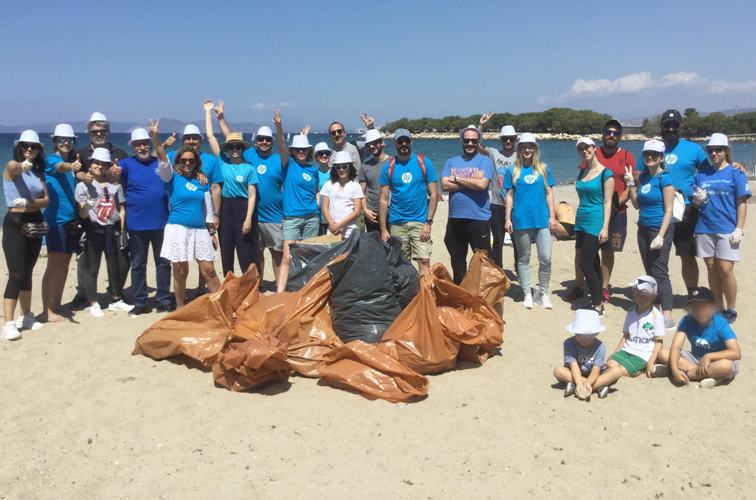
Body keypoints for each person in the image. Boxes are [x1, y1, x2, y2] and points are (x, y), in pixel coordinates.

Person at [151, 121, 221, 309]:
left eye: (191, 160)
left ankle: (224, 307)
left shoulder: (202, 180)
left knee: (209, 271)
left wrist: (212, 233)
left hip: (200, 229)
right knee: (180, 271)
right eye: (184, 160)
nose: (187, 163)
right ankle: (180, 308)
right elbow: (161, 157)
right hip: (178, 227)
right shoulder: (171, 175)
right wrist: (156, 138)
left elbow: (207, 209)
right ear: (178, 162)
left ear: (196, 162)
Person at [566, 119, 636, 302]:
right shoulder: (591, 153)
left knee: (607, 251)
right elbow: (584, 178)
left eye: (615, 132)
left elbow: (631, 184)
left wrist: (613, 205)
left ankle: (603, 288)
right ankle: (579, 285)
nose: (611, 135)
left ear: (620, 136)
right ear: (603, 135)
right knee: (582, 252)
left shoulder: (627, 156)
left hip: (617, 212)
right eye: (608, 132)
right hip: (593, 213)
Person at [216, 104, 286, 283]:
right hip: (253, 216)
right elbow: (230, 138)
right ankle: (258, 285)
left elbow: (284, 147)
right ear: (256, 141)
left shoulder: (278, 159)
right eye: (261, 139)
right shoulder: (249, 156)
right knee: (256, 255)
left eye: (268, 140)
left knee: (277, 255)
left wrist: (279, 128)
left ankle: (279, 289)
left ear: (272, 142)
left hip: (274, 217)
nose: (264, 142)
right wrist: (221, 118)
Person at [69, 112, 129, 310]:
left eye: (102, 130)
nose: (99, 134)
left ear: (108, 132)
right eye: (95, 131)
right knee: (86, 259)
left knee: (119, 259)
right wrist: (76, 171)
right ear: (89, 132)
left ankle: (115, 293)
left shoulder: (119, 153)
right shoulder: (80, 152)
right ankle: (84, 294)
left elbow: (128, 178)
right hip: (86, 213)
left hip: (110, 212)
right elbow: (69, 172)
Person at [692, 133, 750, 323]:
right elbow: (695, 204)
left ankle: (731, 308)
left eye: (718, 149)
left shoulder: (736, 172)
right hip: (704, 227)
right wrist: (696, 201)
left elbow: (742, 202)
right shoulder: (702, 174)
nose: (714, 153)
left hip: (727, 228)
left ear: (726, 151)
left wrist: (739, 228)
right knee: (711, 267)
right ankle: (717, 306)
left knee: (725, 269)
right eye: (711, 150)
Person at [119, 127, 173, 315]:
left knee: (163, 263)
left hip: (161, 221)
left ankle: (164, 299)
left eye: (144, 143)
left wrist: (157, 138)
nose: (141, 147)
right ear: (132, 147)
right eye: (137, 144)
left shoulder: (159, 162)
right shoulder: (126, 164)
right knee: (138, 264)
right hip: (137, 222)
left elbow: (169, 167)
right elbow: (113, 176)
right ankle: (140, 301)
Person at [2, 130, 50, 340]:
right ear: (19, 148)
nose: (29, 150)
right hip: (15, 222)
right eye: (25, 146)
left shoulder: (38, 173)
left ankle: (27, 315)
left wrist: (30, 203)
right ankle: (8, 323)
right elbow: (12, 168)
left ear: (39, 150)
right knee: (16, 273)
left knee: (28, 271)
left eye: (33, 147)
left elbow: (46, 199)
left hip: (35, 221)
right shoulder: (12, 167)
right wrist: (21, 165)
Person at [656, 109, 709, 293]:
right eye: (667, 125)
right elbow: (640, 174)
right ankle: (659, 294)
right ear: (661, 127)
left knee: (687, 255)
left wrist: (733, 165)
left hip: (685, 211)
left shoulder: (693, 149)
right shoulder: (654, 149)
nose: (670, 128)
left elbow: (709, 172)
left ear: (680, 127)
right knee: (657, 256)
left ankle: (692, 292)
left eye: (674, 125)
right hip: (659, 211)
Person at [204, 101, 259, 278]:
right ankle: (229, 287)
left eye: (238, 146)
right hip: (226, 208)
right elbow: (211, 136)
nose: (234, 149)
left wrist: (248, 219)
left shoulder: (249, 168)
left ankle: (249, 287)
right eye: (231, 146)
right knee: (226, 251)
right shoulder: (222, 161)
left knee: (245, 252)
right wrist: (209, 113)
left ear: (242, 148)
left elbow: (252, 196)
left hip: (244, 208)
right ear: (227, 149)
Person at [502, 132, 556, 308]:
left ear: (535, 149)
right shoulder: (512, 170)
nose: (527, 150)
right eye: (524, 147)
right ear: (519, 149)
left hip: (542, 219)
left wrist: (553, 216)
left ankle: (543, 293)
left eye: (530, 147)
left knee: (546, 258)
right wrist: (507, 218)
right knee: (524, 258)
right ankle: (527, 293)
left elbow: (549, 194)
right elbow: (509, 196)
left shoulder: (543, 168)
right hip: (520, 219)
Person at [75, 148, 131, 317]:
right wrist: (87, 206)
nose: (99, 166)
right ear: (90, 165)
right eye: (96, 163)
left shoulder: (115, 186)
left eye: (103, 164)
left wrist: (122, 231)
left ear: (108, 166)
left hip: (112, 228)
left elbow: (121, 208)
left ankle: (116, 298)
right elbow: (82, 213)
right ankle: (93, 301)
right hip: (94, 229)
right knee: (92, 266)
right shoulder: (82, 186)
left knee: (119, 264)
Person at [628, 139, 676, 327]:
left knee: (660, 271)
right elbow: (637, 204)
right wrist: (631, 185)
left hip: (659, 228)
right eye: (647, 154)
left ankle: (667, 315)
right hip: (643, 228)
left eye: (654, 155)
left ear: (661, 157)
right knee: (650, 269)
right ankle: (654, 305)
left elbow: (669, 211)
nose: (649, 157)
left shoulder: (665, 178)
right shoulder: (645, 178)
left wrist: (660, 236)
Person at [592, 276, 666, 398]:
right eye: (636, 291)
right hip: (628, 349)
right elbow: (626, 336)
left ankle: (590, 386)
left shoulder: (656, 315)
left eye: (643, 292)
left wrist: (651, 361)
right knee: (610, 364)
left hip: (643, 354)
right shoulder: (631, 312)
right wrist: (616, 352)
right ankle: (603, 385)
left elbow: (659, 341)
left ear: (653, 296)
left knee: (618, 370)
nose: (638, 295)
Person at [379, 129, 439, 276]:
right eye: (400, 141)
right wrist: (383, 229)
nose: (404, 144)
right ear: (395, 144)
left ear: (411, 142)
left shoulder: (424, 162)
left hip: (420, 222)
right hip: (397, 223)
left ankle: (425, 296)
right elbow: (383, 199)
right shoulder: (389, 166)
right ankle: (407, 297)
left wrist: (428, 222)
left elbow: (434, 194)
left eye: (406, 140)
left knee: (424, 261)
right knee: (401, 263)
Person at [656, 287, 741, 388]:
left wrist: (709, 356)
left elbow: (736, 353)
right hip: (695, 358)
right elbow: (676, 346)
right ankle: (703, 374)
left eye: (702, 306)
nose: (698, 310)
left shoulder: (720, 323)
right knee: (663, 353)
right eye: (694, 307)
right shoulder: (687, 320)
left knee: (725, 366)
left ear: (712, 307)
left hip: (719, 359)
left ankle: (686, 374)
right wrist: (675, 370)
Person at [440, 126, 494, 284]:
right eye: (467, 140)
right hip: (455, 220)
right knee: (458, 264)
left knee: (483, 262)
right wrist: (471, 181)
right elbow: (444, 185)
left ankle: (484, 299)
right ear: (461, 141)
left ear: (478, 142)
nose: (470, 143)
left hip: (479, 220)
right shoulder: (451, 162)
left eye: (474, 141)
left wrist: (455, 179)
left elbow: (482, 185)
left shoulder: (485, 161)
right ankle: (461, 298)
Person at [273, 111, 320, 293]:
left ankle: (305, 291)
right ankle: (280, 293)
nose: (301, 152)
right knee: (287, 257)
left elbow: (315, 192)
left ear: (309, 151)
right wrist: (279, 126)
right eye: (298, 149)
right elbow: (282, 146)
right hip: (292, 218)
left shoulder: (312, 170)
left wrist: (317, 208)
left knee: (308, 257)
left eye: (304, 149)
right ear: (293, 152)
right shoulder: (288, 165)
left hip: (311, 217)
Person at [41, 124, 82, 322]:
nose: (66, 143)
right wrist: (71, 167)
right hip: (56, 222)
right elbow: (60, 167)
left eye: (69, 140)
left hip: (70, 222)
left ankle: (56, 304)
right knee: (53, 265)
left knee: (64, 264)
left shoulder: (72, 164)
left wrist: (78, 172)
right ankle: (47, 309)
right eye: (61, 140)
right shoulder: (51, 160)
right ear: (55, 142)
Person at [574, 137, 614, 315]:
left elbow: (607, 202)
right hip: (581, 221)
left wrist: (605, 227)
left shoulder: (606, 173)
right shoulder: (582, 172)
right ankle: (597, 299)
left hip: (596, 222)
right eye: (581, 148)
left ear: (594, 148)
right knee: (593, 262)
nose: (584, 151)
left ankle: (597, 304)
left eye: (587, 147)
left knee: (585, 264)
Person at [479, 113, 518, 267]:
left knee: (518, 242)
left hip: (516, 205)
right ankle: (498, 271)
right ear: (501, 140)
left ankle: (519, 269)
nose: (508, 141)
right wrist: (481, 125)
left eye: (511, 139)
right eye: (505, 139)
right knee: (497, 242)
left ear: (515, 140)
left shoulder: (520, 155)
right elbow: (476, 144)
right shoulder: (494, 153)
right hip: (496, 204)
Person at [553, 309, 606, 401]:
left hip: (592, 374)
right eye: (579, 334)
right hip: (574, 373)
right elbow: (574, 367)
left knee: (612, 372)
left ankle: (573, 387)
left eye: (588, 335)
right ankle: (598, 388)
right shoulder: (569, 343)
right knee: (558, 371)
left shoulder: (600, 347)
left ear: (596, 333)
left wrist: (587, 384)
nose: (583, 338)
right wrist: (580, 384)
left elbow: (595, 371)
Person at [320, 151, 364, 239]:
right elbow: (324, 207)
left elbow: (357, 211)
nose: (341, 170)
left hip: (351, 230)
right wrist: (333, 225)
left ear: (350, 167)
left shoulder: (355, 186)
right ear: (334, 169)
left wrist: (340, 225)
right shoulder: (328, 184)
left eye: (345, 167)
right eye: (338, 167)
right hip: (332, 230)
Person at [358, 129, 389, 234]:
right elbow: (362, 192)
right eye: (369, 144)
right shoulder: (365, 166)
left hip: (391, 211)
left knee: (392, 246)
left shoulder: (393, 162)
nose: (371, 146)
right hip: (372, 213)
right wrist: (365, 210)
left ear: (382, 143)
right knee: (375, 246)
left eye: (375, 143)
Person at [313, 141, 333, 235]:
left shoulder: (336, 171)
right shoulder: (314, 173)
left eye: (327, 153)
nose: (324, 155)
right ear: (316, 157)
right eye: (321, 153)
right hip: (320, 215)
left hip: (334, 213)